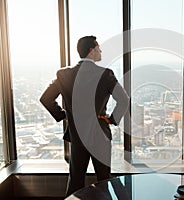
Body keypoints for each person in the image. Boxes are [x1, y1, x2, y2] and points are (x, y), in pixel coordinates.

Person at [40, 35, 129, 196]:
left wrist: (64, 115)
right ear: (91, 51)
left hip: (77, 136)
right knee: (104, 180)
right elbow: (123, 100)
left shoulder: (64, 75)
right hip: (100, 136)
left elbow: (46, 99)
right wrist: (112, 119)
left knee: (75, 181)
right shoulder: (106, 74)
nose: (101, 50)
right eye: (98, 48)